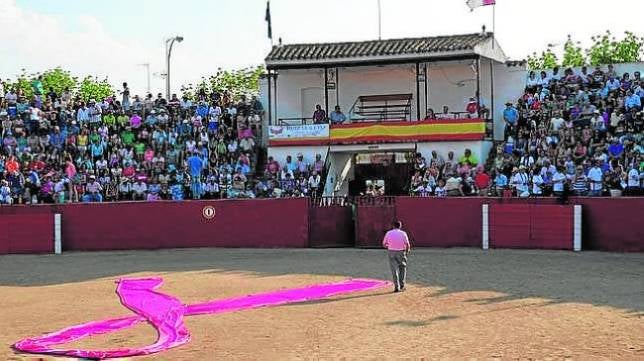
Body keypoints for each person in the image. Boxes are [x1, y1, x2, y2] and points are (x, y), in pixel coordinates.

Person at [382, 221, 411, 293]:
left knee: (394, 270)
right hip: (401, 251)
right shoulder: (403, 233)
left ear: (393, 226)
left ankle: (396, 286)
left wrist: (389, 247)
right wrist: (407, 252)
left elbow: (384, 244)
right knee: (402, 268)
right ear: (400, 226)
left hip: (391, 251)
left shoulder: (389, 233)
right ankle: (402, 285)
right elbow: (407, 244)